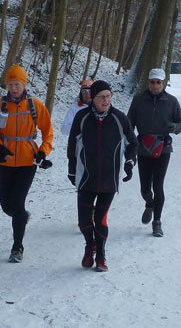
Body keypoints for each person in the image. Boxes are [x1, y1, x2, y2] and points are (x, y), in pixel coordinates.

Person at [0, 65, 54, 263]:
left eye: (17, 84)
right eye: (11, 84)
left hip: (27, 162)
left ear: (24, 85)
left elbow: (48, 132)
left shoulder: (35, 106)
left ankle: (17, 248)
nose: (14, 88)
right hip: (6, 161)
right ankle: (22, 216)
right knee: (6, 206)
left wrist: (43, 151)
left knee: (17, 203)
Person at [67, 80, 137, 272]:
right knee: (83, 222)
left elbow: (132, 143)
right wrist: (72, 170)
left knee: (100, 219)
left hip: (109, 178)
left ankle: (101, 255)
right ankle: (89, 246)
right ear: (93, 98)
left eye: (108, 96)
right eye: (101, 97)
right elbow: (72, 145)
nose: (106, 100)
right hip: (86, 177)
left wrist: (130, 162)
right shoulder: (82, 117)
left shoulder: (119, 118)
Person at [127, 68, 181, 237]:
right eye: (152, 82)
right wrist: (129, 141)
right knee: (145, 188)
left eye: (158, 82)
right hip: (143, 147)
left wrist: (173, 127)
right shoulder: (138, 100)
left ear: (163, 83)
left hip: (163, 147)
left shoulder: (172, 101)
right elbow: (129, 123)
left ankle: (157, 222)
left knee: (158, 185)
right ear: (148, 82)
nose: (155, 85)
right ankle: (149, 204)